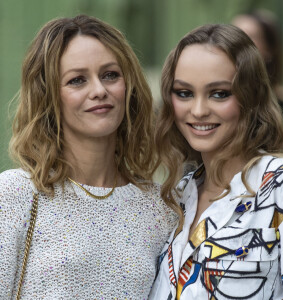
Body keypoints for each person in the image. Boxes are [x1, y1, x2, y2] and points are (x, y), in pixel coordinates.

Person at [0, 15, 176, 299]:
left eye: (110, 75)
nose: (99, 91)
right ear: (49, 96)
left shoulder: (162, 208)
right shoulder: (16, 194)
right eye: (77, 80)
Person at [149, 24, 283, 299]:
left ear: (250, 96)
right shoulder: (176, 198)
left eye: (219, 93)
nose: (198, 110)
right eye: (184, 93)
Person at [231, 9, 283, 117]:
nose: (237, 41)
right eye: (234, 34)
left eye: (249, 36)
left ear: (269, 49)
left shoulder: (279, 103)